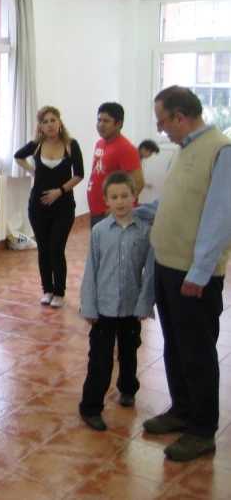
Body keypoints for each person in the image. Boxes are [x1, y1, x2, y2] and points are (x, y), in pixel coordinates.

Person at [134, 86, 231, 462]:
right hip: (167, 264)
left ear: (179, 116)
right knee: (174, 345)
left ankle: (202, 430)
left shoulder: (220, 150)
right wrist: (133, 213)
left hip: (193, 274)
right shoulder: (184, 148)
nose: (161, 130)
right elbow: (172, 202)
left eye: (162, 121)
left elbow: (221, 217)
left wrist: (200, 271)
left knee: (197, 352)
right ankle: (181, 409)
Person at [78, 171, 155, 431]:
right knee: (99, 358)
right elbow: (91, 270)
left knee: (129, 351)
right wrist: (88, 305)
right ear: (106, 200)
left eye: (125, 196)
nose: (120, 201)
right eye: (114, 197)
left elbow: (150, 271)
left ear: (134, 197)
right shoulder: (99, 232)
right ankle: (91, 406)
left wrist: (144, 304)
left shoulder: (144, 233)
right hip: (103, 308)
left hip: (131, 308)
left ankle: (128, 388)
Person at [14, 106, 84, 308]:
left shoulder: (71, 145)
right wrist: (33, 171)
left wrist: (59, 191)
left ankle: (60, 292)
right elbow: (18, 156)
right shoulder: (37, 146)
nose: (50, 124)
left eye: (53, 120)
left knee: (56, 248)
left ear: (59, 122)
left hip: (63, 207)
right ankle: (48, 290)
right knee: (43, 249)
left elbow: (79, 174)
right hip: (37, 207)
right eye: (45, 121)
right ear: (40, 126)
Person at [86, 102, 144, 228]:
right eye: (99, 120)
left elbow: (138, 182)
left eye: (106, 121)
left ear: (119, 124)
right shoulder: (100, 143)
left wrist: (116, 209)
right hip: (96, 212)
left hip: (112, 215)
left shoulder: (125, 148)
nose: (101, 125)